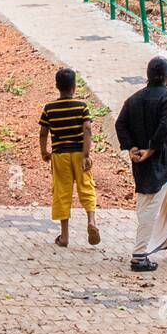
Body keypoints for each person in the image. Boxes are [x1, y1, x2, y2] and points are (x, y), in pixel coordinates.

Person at [115, 55, 167, 272]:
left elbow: (121, 124)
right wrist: (152, 150)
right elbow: (165, 128)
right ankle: (139, 255)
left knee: (162, 204)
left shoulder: (133, 99)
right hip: (162, 161)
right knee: (150, 206)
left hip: (140, 160)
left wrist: (132, 148)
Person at [38, 67, 100, 248]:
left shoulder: (49, 109)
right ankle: (91, 221)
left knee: (62, 192)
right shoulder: (82, 107)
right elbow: (87, 129)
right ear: (74, 87)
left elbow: (43, 132)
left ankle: (64, 236)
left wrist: (44, 151)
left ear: (57, 86)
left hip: (60, 155)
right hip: (80, 154)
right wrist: (86, 154)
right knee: (86, 187)